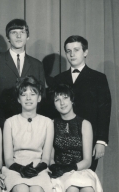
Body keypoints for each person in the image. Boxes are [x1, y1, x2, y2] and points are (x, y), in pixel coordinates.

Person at [2, 76, 53, 192]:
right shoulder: (10, 122)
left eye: (33, 93)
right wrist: (20, 168)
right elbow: (7, 158)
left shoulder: (48, 122)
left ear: (40, 98)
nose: (29, 98)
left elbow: (46, 156)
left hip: (39, 167)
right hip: (15, 167)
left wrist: (38, 168)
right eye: (24, 94)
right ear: (18, 99)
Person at [51, 35, 111, 171]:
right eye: (68, 51)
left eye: (76, 50)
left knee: (84, 183)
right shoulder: (58, 79)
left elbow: (104, 111)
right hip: (61, 142)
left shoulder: (99, 78)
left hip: (88, 141)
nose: (72, 54)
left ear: (85, 52)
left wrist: (101, 141)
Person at [0, 18, 45, 129]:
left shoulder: (37, 64)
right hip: (2, 123)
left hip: (31, 125)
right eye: (14, 32)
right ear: (8, 37)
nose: (18, 36)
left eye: (22, 32)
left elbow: (42, 96)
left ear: (27, 36)